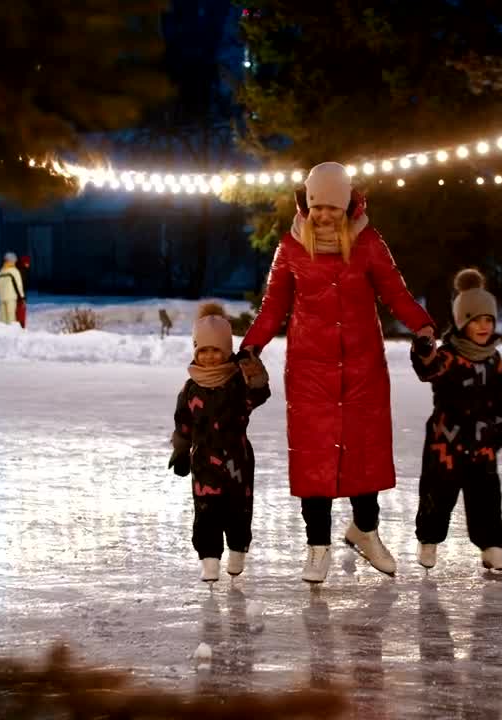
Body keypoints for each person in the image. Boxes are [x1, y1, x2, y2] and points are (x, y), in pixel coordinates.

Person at [240, 161, 435, 583]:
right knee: (315, 456)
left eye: (332, 207)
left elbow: (395, 293)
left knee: (364, 450)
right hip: (310, 370)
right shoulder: (291, 248)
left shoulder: (368, 243)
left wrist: (422, 326)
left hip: (363, 367)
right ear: (307, 207)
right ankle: (317, 546)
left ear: (347, 206)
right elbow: (273, 308)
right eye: (317, 207)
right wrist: (251, 345)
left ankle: (365, 531)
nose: (324, 215)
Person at [410, 269, 502, 573]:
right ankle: (429, 539)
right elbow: (428, 369)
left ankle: (492, 546)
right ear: (461, 322)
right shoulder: (449, 356)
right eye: (476, 320)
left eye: (489, 320)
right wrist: (423, 351)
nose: (483, 326)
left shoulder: (494, 359)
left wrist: (498, 427)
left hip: (482, 443)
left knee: (487, 497)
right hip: (446, 444)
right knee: (437, 495)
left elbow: (499, 396)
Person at [171, 303, 271, 582]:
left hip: (237, 461)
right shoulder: (190, 387)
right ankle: (210, 560)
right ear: (195, 352)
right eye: (204, 350)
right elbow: (183, 422)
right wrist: (180, 451)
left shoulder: (237, 382)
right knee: (206, 513)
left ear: (226, 350)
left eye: (216, 350)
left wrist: (254, 372)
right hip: (203, 463)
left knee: (238, 512)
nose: (210, 356)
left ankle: (238, 550)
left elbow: (259, 394)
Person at [0, 253, 24, 326]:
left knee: (3, 318)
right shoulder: (14, 271)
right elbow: (19, 285)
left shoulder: (1, 272)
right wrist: (22, 297)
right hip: (11, 297)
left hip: (2, 298)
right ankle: (11, 333)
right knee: (11, 317)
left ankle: (4, 333)